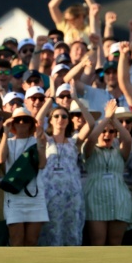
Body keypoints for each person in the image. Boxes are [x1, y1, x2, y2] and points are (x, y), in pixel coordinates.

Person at [36, 96, 94, 246]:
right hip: (50, 194)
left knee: (72, 231)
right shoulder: (45, 140)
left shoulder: (74, 141)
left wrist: (76, 100)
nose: (60, 119)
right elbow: (37, 122)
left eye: (64, 116)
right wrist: (49, 100)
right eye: (56, 116)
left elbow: (91, 123)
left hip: (72, 194)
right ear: (51, 120)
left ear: (68, 120)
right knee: (51, 231)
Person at [83, 99, 132, 246]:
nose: (107, 134)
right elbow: (91, 139)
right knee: (98, 242)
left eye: (111, 131)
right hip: (96, 199)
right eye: (104, 131)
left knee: (116, 243)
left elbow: (127, 139)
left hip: (118, 198)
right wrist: (106, 118)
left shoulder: (119, 152)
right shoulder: (90, 151)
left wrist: (114, 119)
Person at [0, 107, 48, 246]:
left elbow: (42, 164)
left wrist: (39, 141)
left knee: (32, 241)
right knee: (16, 240)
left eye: (25, 120)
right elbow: (0, 159)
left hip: (35, 195)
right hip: (14, 196)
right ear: (13, 124)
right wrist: (5, 133)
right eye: (17, 120)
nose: (21, 123)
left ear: (31, 123)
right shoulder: (8, 142)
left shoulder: (37, 141)